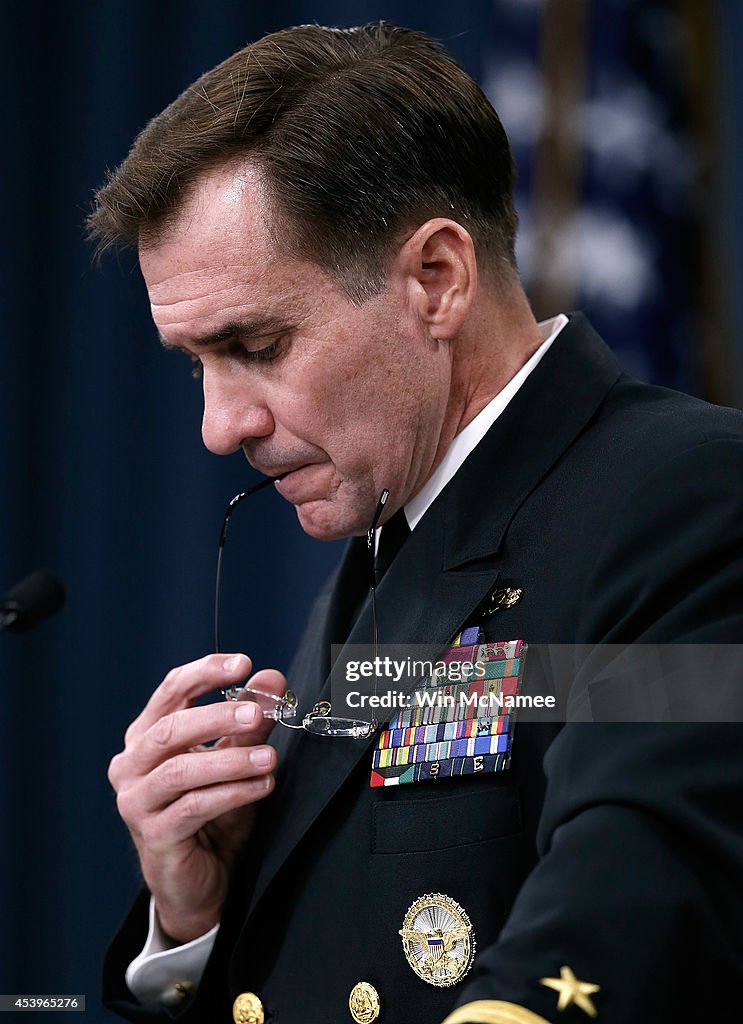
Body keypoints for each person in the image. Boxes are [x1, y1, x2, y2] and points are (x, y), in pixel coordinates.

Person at [88, 22, 743, 1024]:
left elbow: (621, 939)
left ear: (436, 278)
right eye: (194, 362)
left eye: (255, 343)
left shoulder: (688, 498)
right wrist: (195, 916)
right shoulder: (398, 536)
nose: (219, 427)